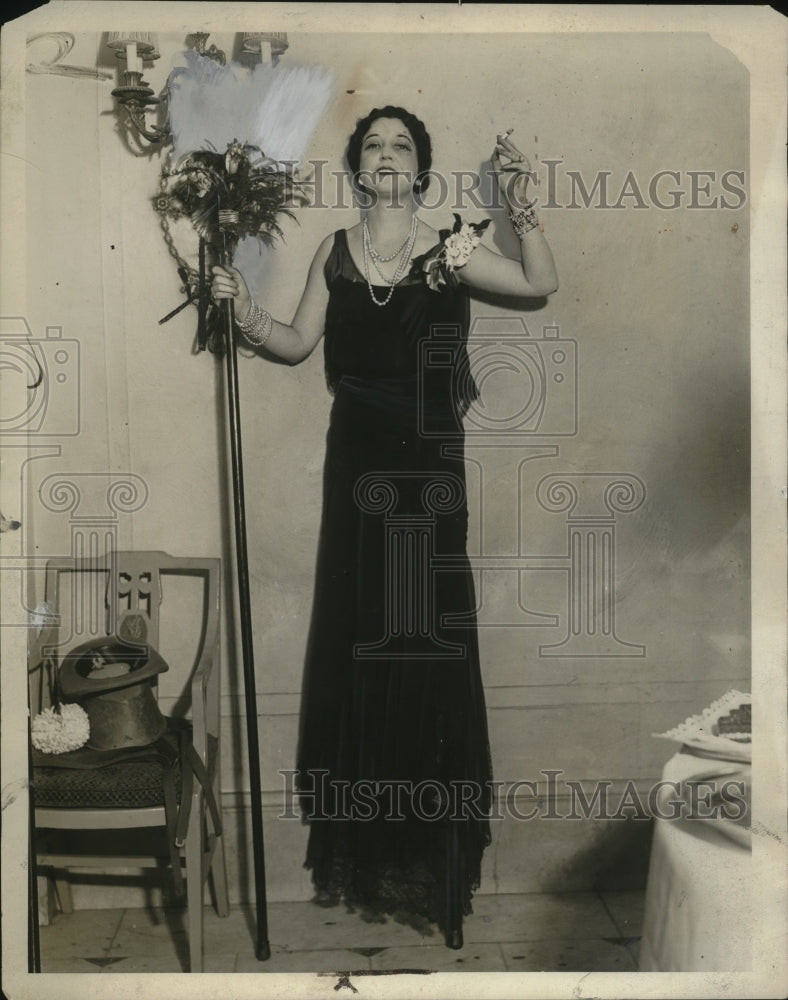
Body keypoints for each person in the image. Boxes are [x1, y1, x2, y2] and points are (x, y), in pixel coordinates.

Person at [211, 105, 558, 949]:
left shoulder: (454, 247)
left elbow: (542, 283)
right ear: (361, 172)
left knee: (426, 653)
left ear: (420, 170)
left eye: (405, 145)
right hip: (356, 473)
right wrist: (240, 307)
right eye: (376, 146)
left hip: (430, 478)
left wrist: (519, 204)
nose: (390, 156)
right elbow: (295, 345)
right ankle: (372, 849)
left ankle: (435, 868)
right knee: (363, 645)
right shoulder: (336, 252)